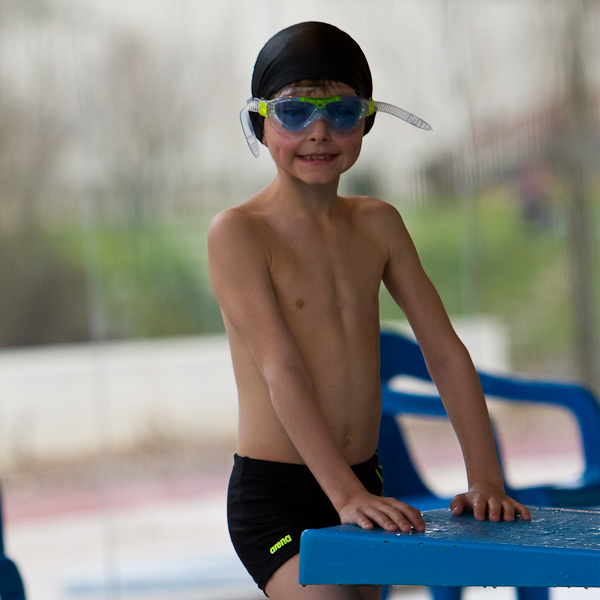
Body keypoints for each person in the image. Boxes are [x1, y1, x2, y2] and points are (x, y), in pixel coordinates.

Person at [208, 21, 530, 600]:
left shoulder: (378, 224)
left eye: (342, 111)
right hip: (277, 496)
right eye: (294, 112)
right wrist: (345, 497)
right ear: (260, 121)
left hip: (364, 478)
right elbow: (282, 370)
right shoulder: (239, 233)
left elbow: (444, 352)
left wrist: (485, 477)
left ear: (368, 119)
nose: (319, 131)